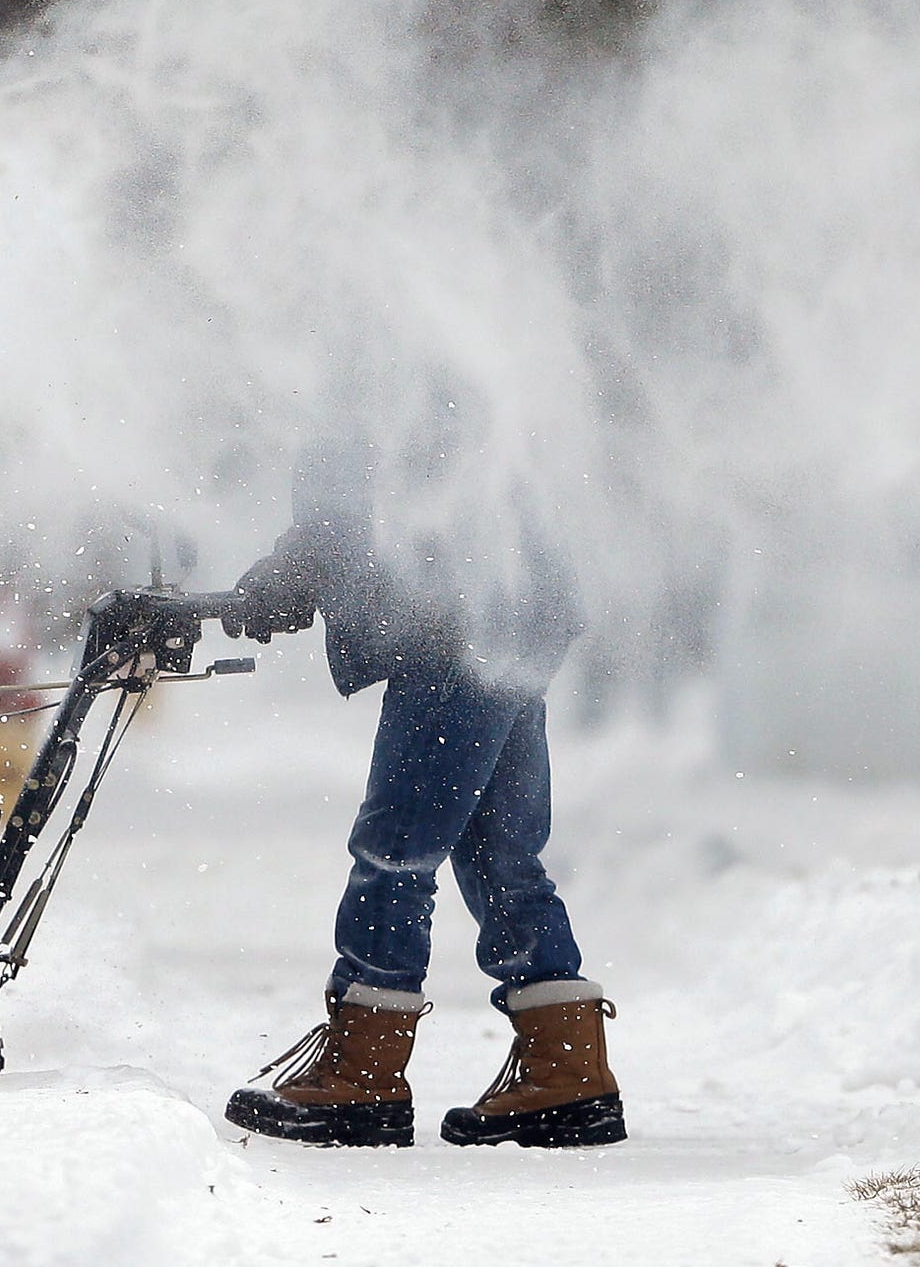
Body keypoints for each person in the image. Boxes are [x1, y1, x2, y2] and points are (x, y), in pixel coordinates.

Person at [217, 429, 623, 1149]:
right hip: (514, 600)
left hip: (456, 614)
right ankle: (566, 1074)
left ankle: (362, 1076)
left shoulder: (378, 351)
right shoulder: (454, 335)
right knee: (499, 853)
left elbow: (368, 474)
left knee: (399, 846)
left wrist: (294, 567)